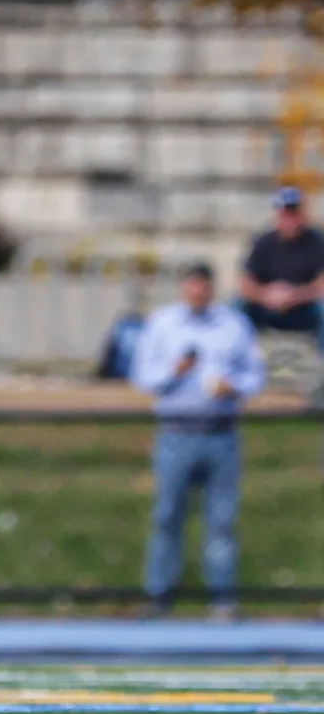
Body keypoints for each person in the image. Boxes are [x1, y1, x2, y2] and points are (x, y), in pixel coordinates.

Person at [129, 262, 265, 619]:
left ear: (211, 289)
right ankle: (160, 595)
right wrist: (175, 372)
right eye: (191, 286)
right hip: (175, 432)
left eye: (203, 286)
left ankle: (222, 599)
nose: (197, 293)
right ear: (182, 288)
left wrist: (233, 387)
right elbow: (143, 377)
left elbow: (254, 375)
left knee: (221, 520)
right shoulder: (163, 324)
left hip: (221, 433)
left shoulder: (233, 324)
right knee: (167, 516)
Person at [240, 186, 324, 349]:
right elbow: (245, 284)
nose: (290, 219)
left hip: (304, 307)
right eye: (285, 213)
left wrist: (295, 295)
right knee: (236, 308)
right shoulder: (264, 242)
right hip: (267, 305)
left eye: (294, 213)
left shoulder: (317, 241)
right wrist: (265, 295)